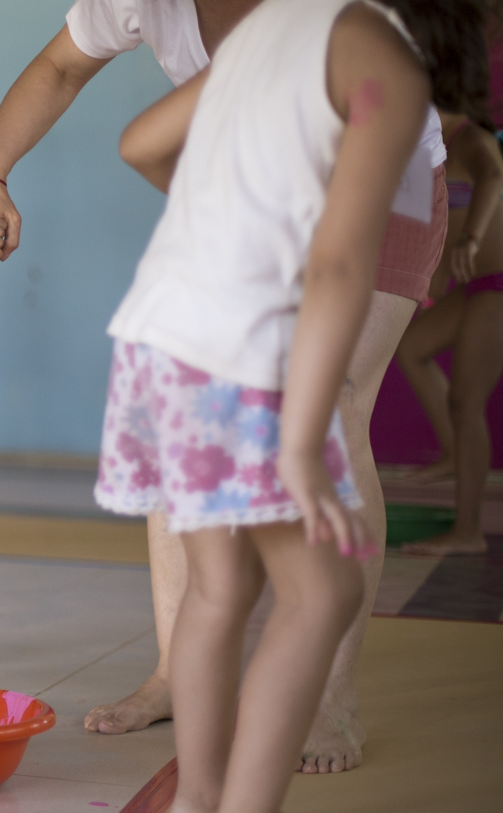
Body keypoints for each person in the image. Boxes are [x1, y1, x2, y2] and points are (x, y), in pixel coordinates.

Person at [0, 0, 452, 774]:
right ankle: (179, 678)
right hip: (248, 240)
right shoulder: (260, 44)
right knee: (256, 547)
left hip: (359, 199)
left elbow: (337, 252)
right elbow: (69, 74)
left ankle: (325, 696)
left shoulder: (353, 40)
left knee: (332, 415)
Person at [107, 1, 443, 807]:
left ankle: (198, 797)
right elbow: (337, 268)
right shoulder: (390, 66)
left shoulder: (272, 30)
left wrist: (216, 224)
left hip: (161, 332)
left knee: (219, 588)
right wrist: (299, 445)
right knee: (320, 592)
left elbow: (139, 143)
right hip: (239, 341)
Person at [396, 111, 503, 557]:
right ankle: (453, 454)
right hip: (476, 285)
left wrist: (472, 238)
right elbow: (437, 226)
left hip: (498, 284)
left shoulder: (470, 138)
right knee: (411, 348)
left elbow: (493, 175)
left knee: (466, 401)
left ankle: (467, 531)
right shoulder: (429, 147)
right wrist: (429, 287)